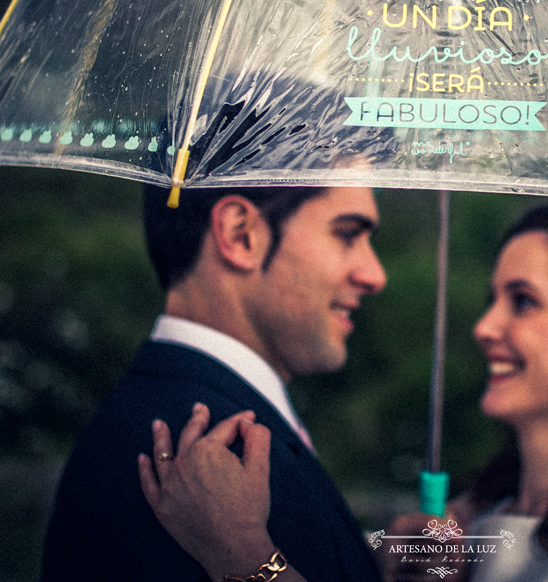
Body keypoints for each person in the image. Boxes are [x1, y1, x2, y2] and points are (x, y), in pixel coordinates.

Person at [140, 203, 548, 582]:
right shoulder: (459, 524)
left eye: (522, 300)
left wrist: (243, 555)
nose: (485, 326)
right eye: (492, 298)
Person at [41, 184, 387, 582]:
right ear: (240, 234)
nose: (374, 275)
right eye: (346, 234)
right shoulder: (208, 454)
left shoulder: (155, 410)